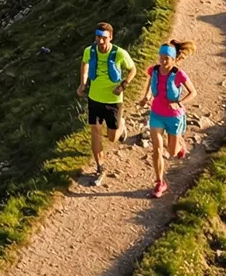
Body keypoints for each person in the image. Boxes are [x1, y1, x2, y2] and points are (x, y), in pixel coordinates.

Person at [78, 22, 135, 187]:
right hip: (94, 98)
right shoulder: (90, 51)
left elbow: (133, 70)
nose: (100, 41)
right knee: (95, 131)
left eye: (104, 38)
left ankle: (121, 125)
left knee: (112, 137)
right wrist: (83, 83)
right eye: (98, 37)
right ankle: (99, 167)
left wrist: (123, 85)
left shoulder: (119, 53)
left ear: (110, 37)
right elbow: (84, 63)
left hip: (113, 100)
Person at [142, 40, 193, 198]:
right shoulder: (154, 70)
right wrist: (146, 96)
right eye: (161, 57)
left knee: (172, 151)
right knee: (156, 149)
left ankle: (180, 145)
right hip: (156, 114)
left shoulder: (179, 74)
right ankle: (160, 182)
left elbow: (193, 92)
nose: (162, 61)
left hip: (173, 117)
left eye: (166, 58)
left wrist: (179, 103)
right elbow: (150, 81)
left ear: (174, 59)